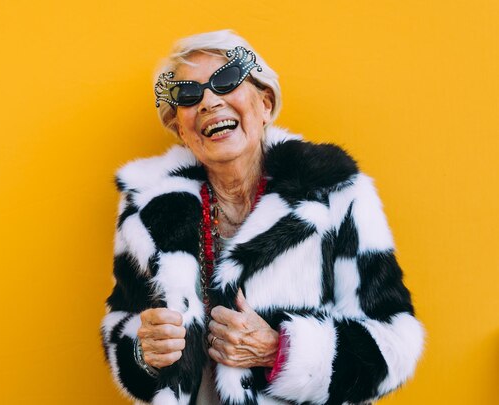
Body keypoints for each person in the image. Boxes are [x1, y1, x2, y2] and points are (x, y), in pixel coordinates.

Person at [100, 29, 425, 405]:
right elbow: (121, 326)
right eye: (188, 95)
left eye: (226, 81)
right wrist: (144, 353)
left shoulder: (334, 192)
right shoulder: (149, 209)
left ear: (265, 103)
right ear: (181, 131)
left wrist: (281, 351)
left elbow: (397, 341)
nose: (208, 102)